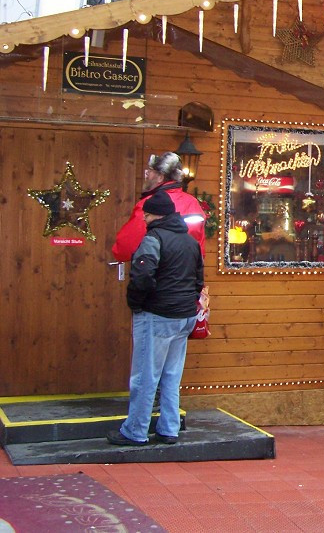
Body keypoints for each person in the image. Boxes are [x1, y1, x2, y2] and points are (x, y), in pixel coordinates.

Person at [107, 191, 204, 446]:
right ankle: (169, 429)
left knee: (145, 376)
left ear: (156, 215)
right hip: (184, 316)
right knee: (171, 376)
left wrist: (136, 303)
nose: (144, 219)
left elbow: (143, 276)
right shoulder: (190, 242)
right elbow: (198, 280)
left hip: (157, 314)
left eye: (147, 215)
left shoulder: (153, 239)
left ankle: (135, 431)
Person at [112, 152, 206, 261]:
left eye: (150, 171)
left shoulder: (150, 203)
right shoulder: (192, 203)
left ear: (160, 177)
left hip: (158, 272)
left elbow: (126, 247)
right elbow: (200, 247)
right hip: (187, 271)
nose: (147, 174)